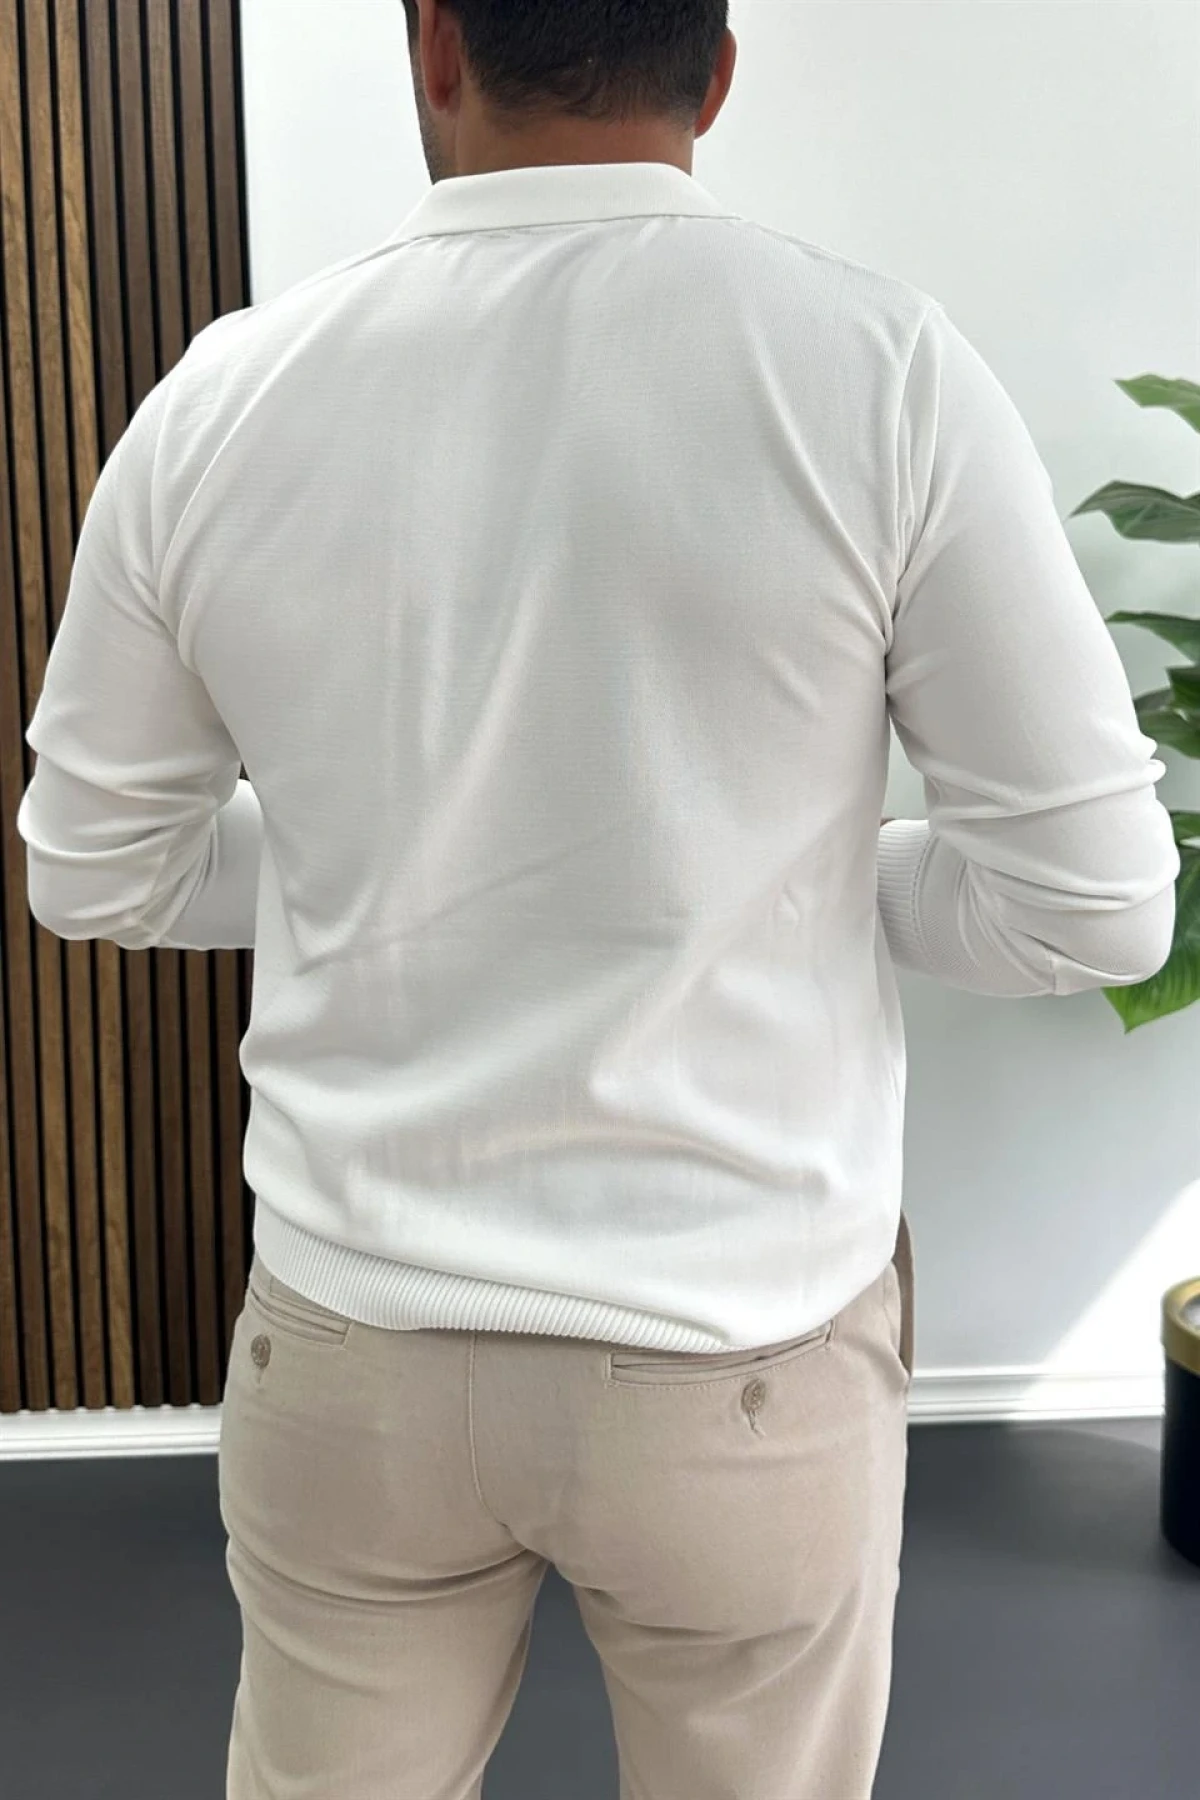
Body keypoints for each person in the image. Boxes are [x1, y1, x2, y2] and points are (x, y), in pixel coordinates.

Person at [17, 2, 1179, 1795]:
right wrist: (780, 884)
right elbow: (1095, 910)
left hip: (355, 1348)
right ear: (715, 72)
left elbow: (96, 869)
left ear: (432, 48)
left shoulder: (218, 401)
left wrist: (387, 873)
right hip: (740, 1361)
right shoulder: (881, 373)